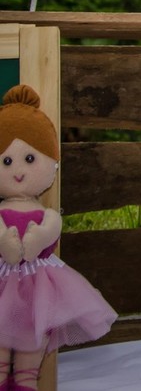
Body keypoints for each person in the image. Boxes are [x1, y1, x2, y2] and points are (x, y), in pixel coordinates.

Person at [0, 85, 117, 391]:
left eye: (29, 158)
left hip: (39, 288)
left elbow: (51, 228)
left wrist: (38, 238)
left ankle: (25, 382)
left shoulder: (47, 214)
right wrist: (5, 242)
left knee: (32, 342)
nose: (18, 171)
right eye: (6, 161)